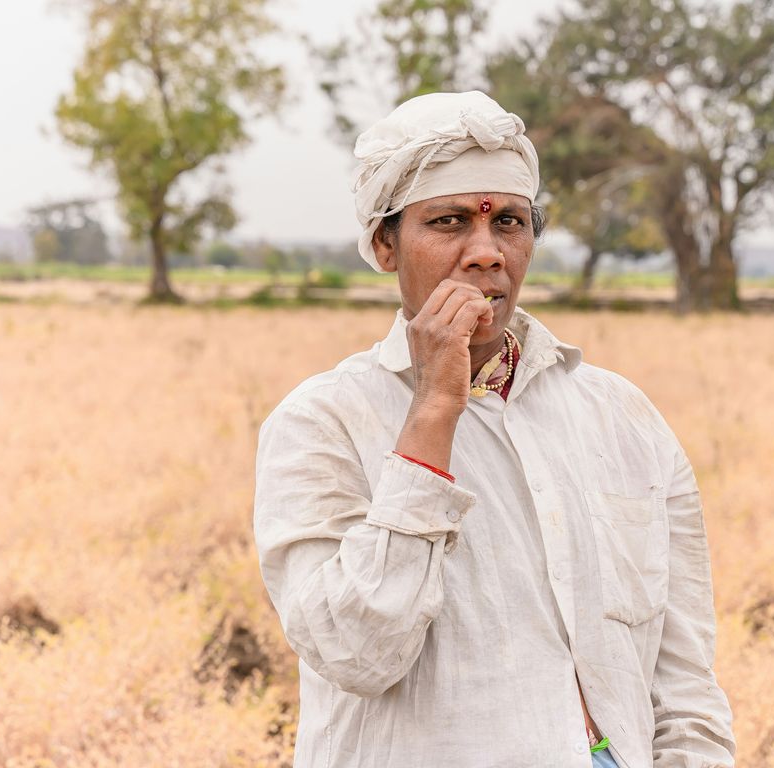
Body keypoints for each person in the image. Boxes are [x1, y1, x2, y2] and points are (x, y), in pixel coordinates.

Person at [254, 91, 735, 767]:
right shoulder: (321, 423)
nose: (486, 253)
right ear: (385, 244)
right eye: (449, 221)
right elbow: (357, 651)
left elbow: (685, 682)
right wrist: (432, 414)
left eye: (508, 221)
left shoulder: (624, 418)